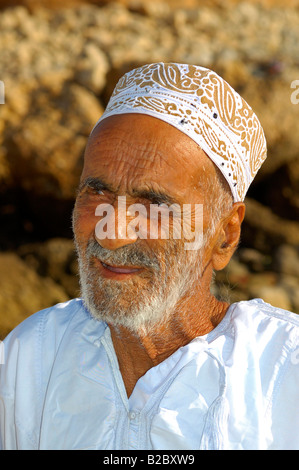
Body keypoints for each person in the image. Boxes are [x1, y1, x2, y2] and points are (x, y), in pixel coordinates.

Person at [0, 62, 298, 450]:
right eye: (98, 192)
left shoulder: (282, 372)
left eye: (154, 204)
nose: (112, 234)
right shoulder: (31, 358)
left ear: (225, 235)